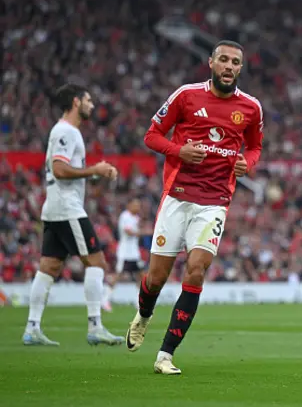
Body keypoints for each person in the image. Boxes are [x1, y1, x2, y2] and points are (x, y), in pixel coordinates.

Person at [125, 40, 264, 375]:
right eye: (224, 60)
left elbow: (255, 147)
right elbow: (151, 135)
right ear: (211, 63)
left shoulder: (251, 107)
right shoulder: (186, 95)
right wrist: (178, 151)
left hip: (214, 201)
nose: (230, 66)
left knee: (196, 270)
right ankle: (144, 315)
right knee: (156, 278)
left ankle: (165, 355)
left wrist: (249, 163)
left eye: (236, 62)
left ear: (241, 68)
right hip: (177, 196)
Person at [22, 83, 123, 346]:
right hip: (67, 208)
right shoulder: (66, 131)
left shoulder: (66, 131)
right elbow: (59, 169)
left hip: (55, 207)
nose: (92, 105)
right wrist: (95, 170)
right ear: (76, 102)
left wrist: (96, 172)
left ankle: (32, 327)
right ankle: (95, 326)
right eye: (88, 100)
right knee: (97, 263)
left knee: (49, 267)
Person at [102, 198, 144, 311]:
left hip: (134, 252)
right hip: (125, 252)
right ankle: (105, 299)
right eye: (136, 205)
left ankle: (138, 301)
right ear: (129, 205)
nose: (138, 207)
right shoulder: (125, 216)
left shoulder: (136, 218)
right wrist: (142, 232)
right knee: (118, 275)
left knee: (140, 276)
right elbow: (128, 232)